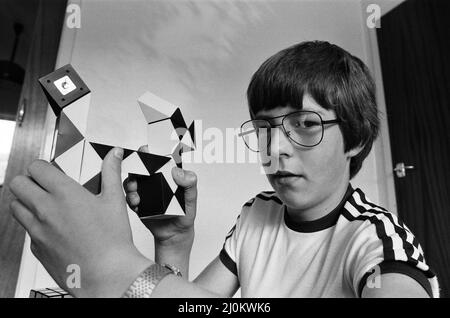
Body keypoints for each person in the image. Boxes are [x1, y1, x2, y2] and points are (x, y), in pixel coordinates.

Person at [9, 41, 439, 298]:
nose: (276, 149)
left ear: (358, 139)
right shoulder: (258, 213)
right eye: (265, 128)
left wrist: (114, 270)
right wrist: (175, 242)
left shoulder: (378, 243)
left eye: (306, 125)